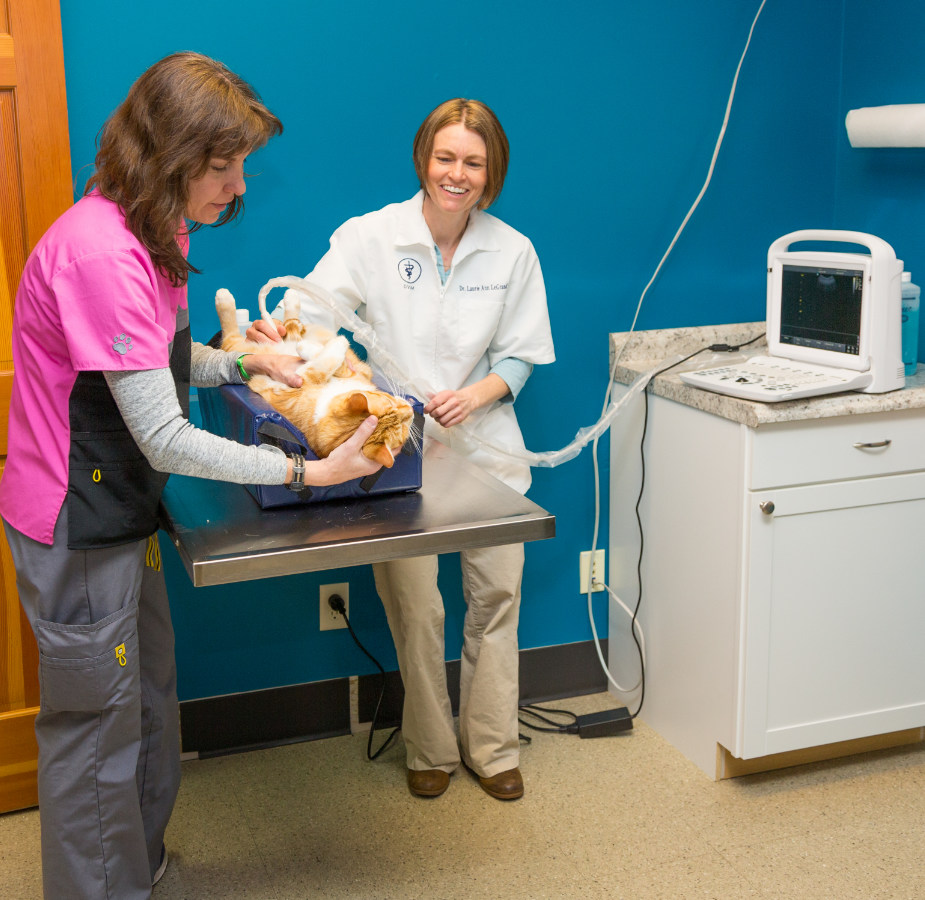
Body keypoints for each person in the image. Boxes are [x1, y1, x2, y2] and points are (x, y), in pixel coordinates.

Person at [0, 52, 381, 900]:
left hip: (120, 502)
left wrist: (245, 366)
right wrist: (307, 472)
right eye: (222, 164)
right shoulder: (101, 251)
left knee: (142, 704)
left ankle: (140, 869)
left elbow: (157, 360)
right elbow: (164, 433)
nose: (238, 185)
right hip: (75, 516)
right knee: (96, 733)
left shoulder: (156, 228)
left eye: (241, 162)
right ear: (168, 154)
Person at [251, 98, 555, 800]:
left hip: (487, 449)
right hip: (397, 452)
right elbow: (308, 311)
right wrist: (289, 342)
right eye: (445, 158)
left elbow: (520, 357)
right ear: (423, 159)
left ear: (491, 172)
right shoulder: (371, 238)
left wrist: (476, 395)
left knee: (497, 596)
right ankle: (429, 747)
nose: (457, 174)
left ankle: (493, 746)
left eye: (473, 163)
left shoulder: (511, 250)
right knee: (415, 608)